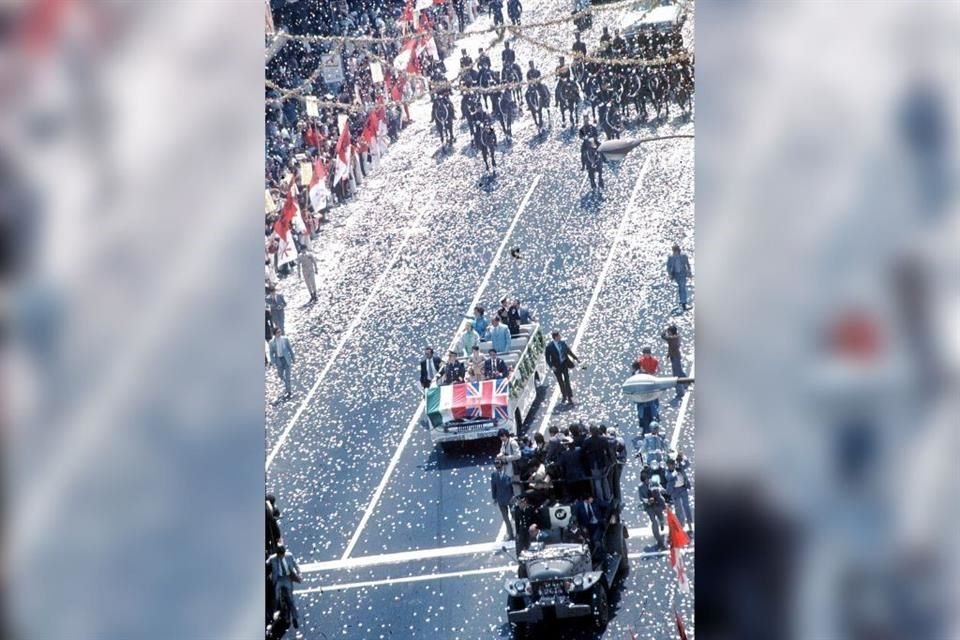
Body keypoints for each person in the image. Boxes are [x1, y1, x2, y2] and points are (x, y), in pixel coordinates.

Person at [265, 544, 302, 629]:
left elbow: (295, 565)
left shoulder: (289, 556)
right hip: (278, 579)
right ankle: (274, 615)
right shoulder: (273, 558)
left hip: (287, 578)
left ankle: (295, 617)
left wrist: (299, 573)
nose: (280, 556)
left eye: (282, 554)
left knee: (291, 599)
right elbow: (266, 563)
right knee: (276, 598)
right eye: (279, 555)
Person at [545, 329, 579, 404]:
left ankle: (570, 396)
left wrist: (575, 358)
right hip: (556, 367)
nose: (560, 336)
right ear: (556, 337)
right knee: (560, 382)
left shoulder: (562, 343)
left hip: (564, 364)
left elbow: (568, 351)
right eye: (559, 335)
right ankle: (564, 395)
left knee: (567, 380)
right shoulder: (549, 347)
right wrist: (551, 366)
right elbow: (547, 358)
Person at [665, 456, 694, 535]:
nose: (672, 466)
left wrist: (682, 456)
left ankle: (689, 524)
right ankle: (681, 525)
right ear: (668, 466)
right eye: (670, 465)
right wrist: (676, 471)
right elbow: (670, 477)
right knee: (678, 509)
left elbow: (687, 464)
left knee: (686, 506)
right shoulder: (667, 472)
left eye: (673, 464)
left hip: (683, 489)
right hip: (675, 491)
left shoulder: (679, 467)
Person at [638, 475, 667, 550]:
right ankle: (658, 538)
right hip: (649, 506)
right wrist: (647, 501)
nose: (647, 480)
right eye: (646, 479)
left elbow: (660, 487)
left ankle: (662, 523)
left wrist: (661, 490)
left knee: (661, 517)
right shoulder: (640, 487)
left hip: (657, 504)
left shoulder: (654, 482)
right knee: (654, 521)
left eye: (648, 478)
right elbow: (641, 498)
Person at [491, 459, 516, 539]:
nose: (497, 466)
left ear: (502, 465)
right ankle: (510, 534)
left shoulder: (508, 474)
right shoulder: (494, 475)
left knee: (514, 516)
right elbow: (493, 487)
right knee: (506, 518)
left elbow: (512, 486)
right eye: (495, 464)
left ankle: (516, 532)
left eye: (498, 464)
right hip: (501, 500)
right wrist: (494, 498)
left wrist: (514, 496)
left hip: (510, 498)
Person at [661, 324, 687, 400]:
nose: (668, 333)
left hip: (675, 357)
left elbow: (663, 337)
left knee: (676, 375)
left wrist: (664, 331)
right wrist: (668, 354)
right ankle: (686, 383)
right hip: (675, 356)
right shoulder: (675, 337)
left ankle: (680, 392)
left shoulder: (673, 338)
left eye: (669, 331)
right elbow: (671, 347)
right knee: (680, 371)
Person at [269, 327, 295, 398]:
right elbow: (271, 353)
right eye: (278, 332)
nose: (279, 333)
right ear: (275, 334)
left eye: (280, 332)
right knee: (280, 375)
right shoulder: (271, 343)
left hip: (286, 359)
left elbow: (290, 349)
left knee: (288, 376)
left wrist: (293, 358)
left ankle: (289, 390)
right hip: (279, 361)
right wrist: (273, 361)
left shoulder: (285, 339)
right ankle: (287, 384)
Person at [666, 244, 693, 310]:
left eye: (676, 251)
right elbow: (668, 267)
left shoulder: (683, 256)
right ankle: (682, 302)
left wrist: (689, 272)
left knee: (682, 287)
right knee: (681, 288)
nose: (675, 252)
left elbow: (687, 264)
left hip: (683, 274)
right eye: (674, 251)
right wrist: (670, 274)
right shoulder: (671, 257)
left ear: (678, 250)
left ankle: (683, 302)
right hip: (676, 275)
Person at [496, 427, 523, 492]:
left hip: (514, 466)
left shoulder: (512, 443)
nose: (502, 438)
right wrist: (500, 454)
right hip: (507, 467)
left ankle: (519, 497)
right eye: (500, 437)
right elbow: (502, 450)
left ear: (506, 435)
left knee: (515, 484)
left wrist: (507, 458)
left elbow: (518, 455)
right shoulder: (503, 442)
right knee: (509, 482)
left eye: (503, 436)